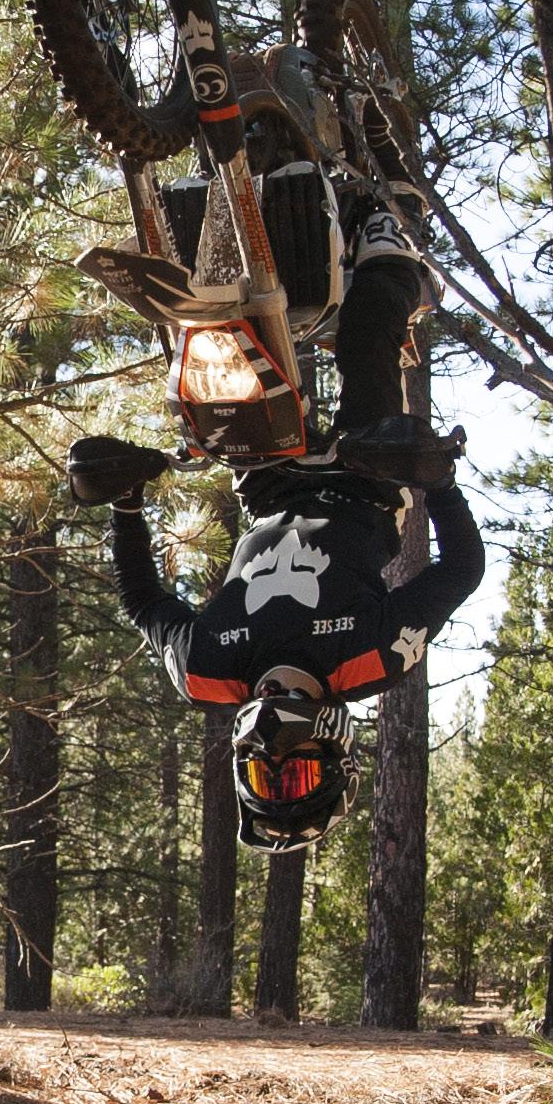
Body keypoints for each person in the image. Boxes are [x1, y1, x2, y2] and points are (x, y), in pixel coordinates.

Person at [65, 206, 485, 850]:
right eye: (296, 776)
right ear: (337, 751)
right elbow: (461, 570)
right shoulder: (371, 659)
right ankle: (388, 243)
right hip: (364, 476)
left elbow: (144, 602)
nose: (276, 758)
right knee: (371, 337)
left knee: (209, 362)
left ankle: (213, 207)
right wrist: (441, 485)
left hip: (265, 480)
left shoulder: (206, 670)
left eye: (264, 777)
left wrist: (126, 506)